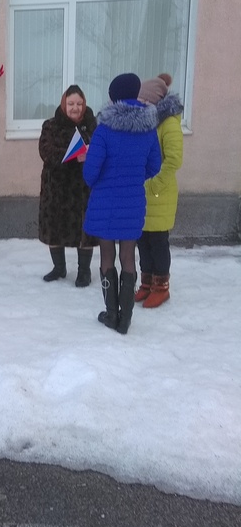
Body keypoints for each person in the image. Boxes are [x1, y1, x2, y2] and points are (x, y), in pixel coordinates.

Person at [83, 73, 161, 334]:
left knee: (107, 256)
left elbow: (90, 173)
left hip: (105, 203)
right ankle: (125, 319)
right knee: (128, 256)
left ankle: (111, 314)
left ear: (113, 97)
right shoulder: (148, 130)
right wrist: (133, 177)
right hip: (133, 202)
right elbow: (154, 165)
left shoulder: (104, 130)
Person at [38, 85, 98, 287]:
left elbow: (102, 151)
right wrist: (72, 155)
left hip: (84, 188)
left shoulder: (93, 126)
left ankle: (84, 271)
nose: (75, 108)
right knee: (55, 227)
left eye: (79, 104)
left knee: (85, 231)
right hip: (57, 187)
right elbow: (46, 151)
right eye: (71, 103)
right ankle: (59, 267)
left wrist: (90, 154)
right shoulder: (51, 125)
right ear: (64, 104)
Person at [135, 74, 183, 308]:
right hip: (143, 193)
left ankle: (161, 287)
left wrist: (154, 184)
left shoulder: (169, 123)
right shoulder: (146, 122)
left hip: (159, 193)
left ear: (153, 101)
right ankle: (147, 283)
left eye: (143, 102)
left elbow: (174, 160)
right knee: (142, 240)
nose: (140, 106)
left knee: (158, 242)